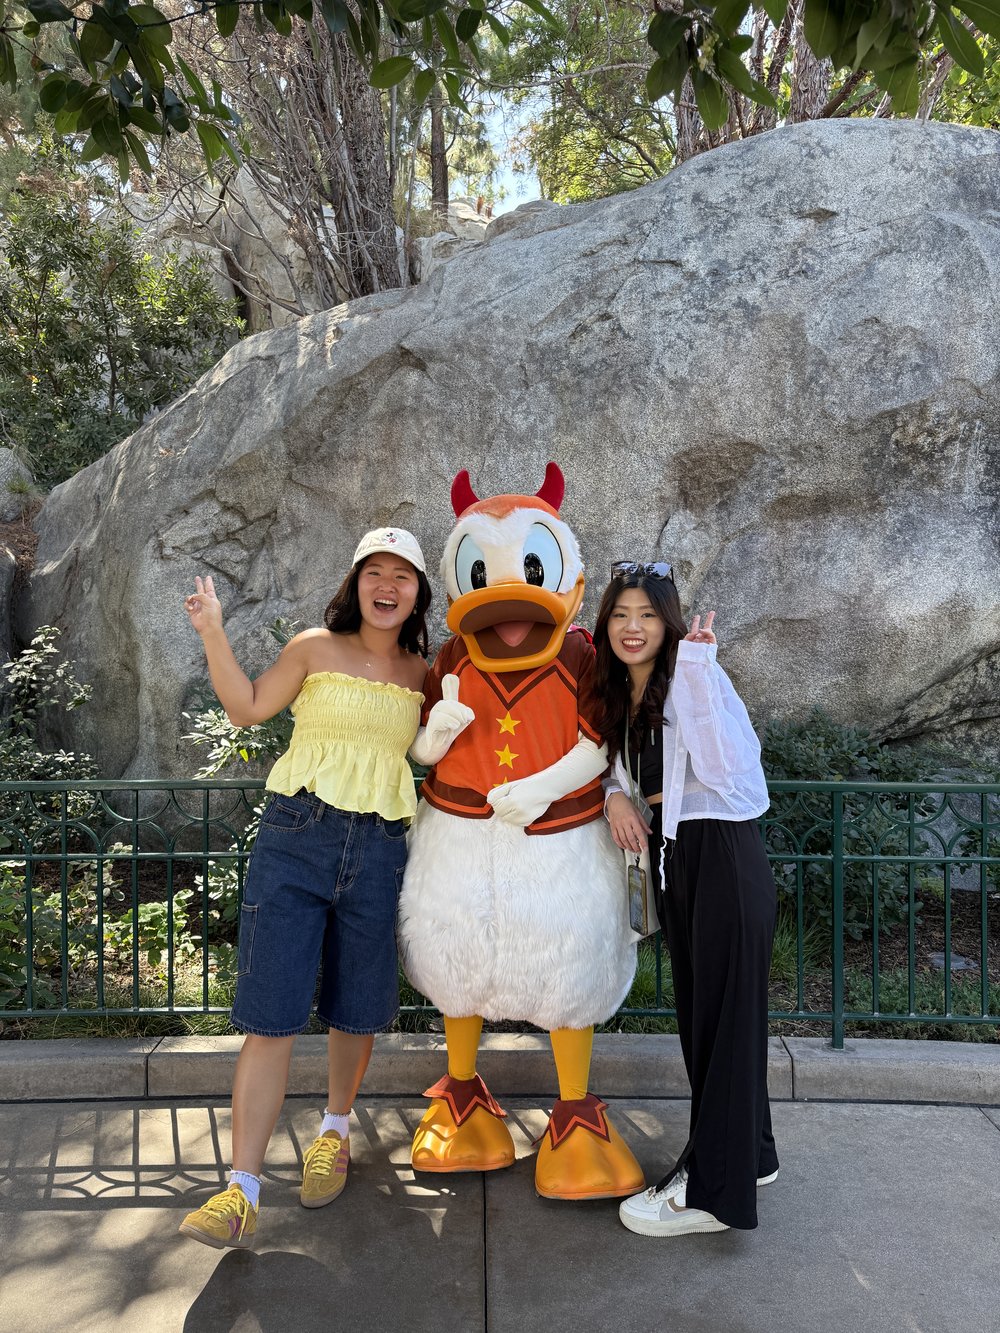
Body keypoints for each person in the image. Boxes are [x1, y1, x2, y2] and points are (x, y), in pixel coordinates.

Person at [177, 528, 431, 1250]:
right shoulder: (313, 646)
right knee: (273, 1013)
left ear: (417, 593)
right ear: (354, 583)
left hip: (379, 846)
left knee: (356, 1008)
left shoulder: (421, 673)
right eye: (373, 571)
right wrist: (212, 630)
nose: (387, 584)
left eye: (402, 575)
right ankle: (240, 1189)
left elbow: (448, 747)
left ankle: (335, 1129)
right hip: (298, 836)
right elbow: (246, 707)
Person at [592, 559, 778, 1237]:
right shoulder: (625, 694)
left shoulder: (695, 678)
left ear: (668, 621)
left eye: (646, 614)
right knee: (708, 1022)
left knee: (724, 1025)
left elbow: (731, 771)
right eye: (620, 614)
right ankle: (750, 1156)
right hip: (679, 864)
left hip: (722, 854)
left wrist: (699, 675)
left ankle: (713, 1194)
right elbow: (621, 772)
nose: (632, 627)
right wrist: (615, 794)